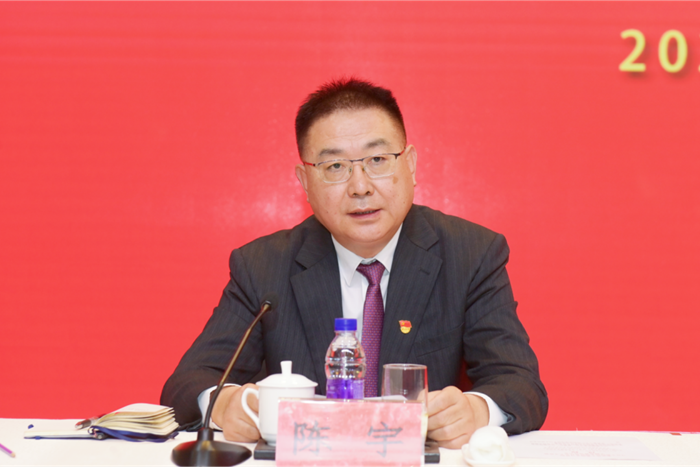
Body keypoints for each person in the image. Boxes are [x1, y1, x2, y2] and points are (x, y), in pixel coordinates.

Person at [161, 78, 548, 449]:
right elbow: (187, 384)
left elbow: (520, 384)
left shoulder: (471, 254)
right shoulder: (263, 266)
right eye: (335, 167)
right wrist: (225, 405)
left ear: (411, 164)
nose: (360, 186)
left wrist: (476, 410)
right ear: (305, 182)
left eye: (378, 159)